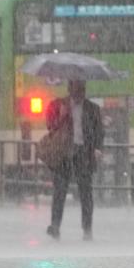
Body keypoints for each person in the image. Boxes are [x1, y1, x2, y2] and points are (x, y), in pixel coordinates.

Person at [45, 80, 104, 241]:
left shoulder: (93, 109)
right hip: (63, 153)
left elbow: (99, 131)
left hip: (84, 153)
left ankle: (87, 228)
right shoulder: (57, 105)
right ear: (69, 89)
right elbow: (50, 126)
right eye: (76, 90)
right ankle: (55, 226)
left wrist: (97, 148)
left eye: (82, 90)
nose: (79, 93)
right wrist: (62, 116)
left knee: (86, 193)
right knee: (60, 191)